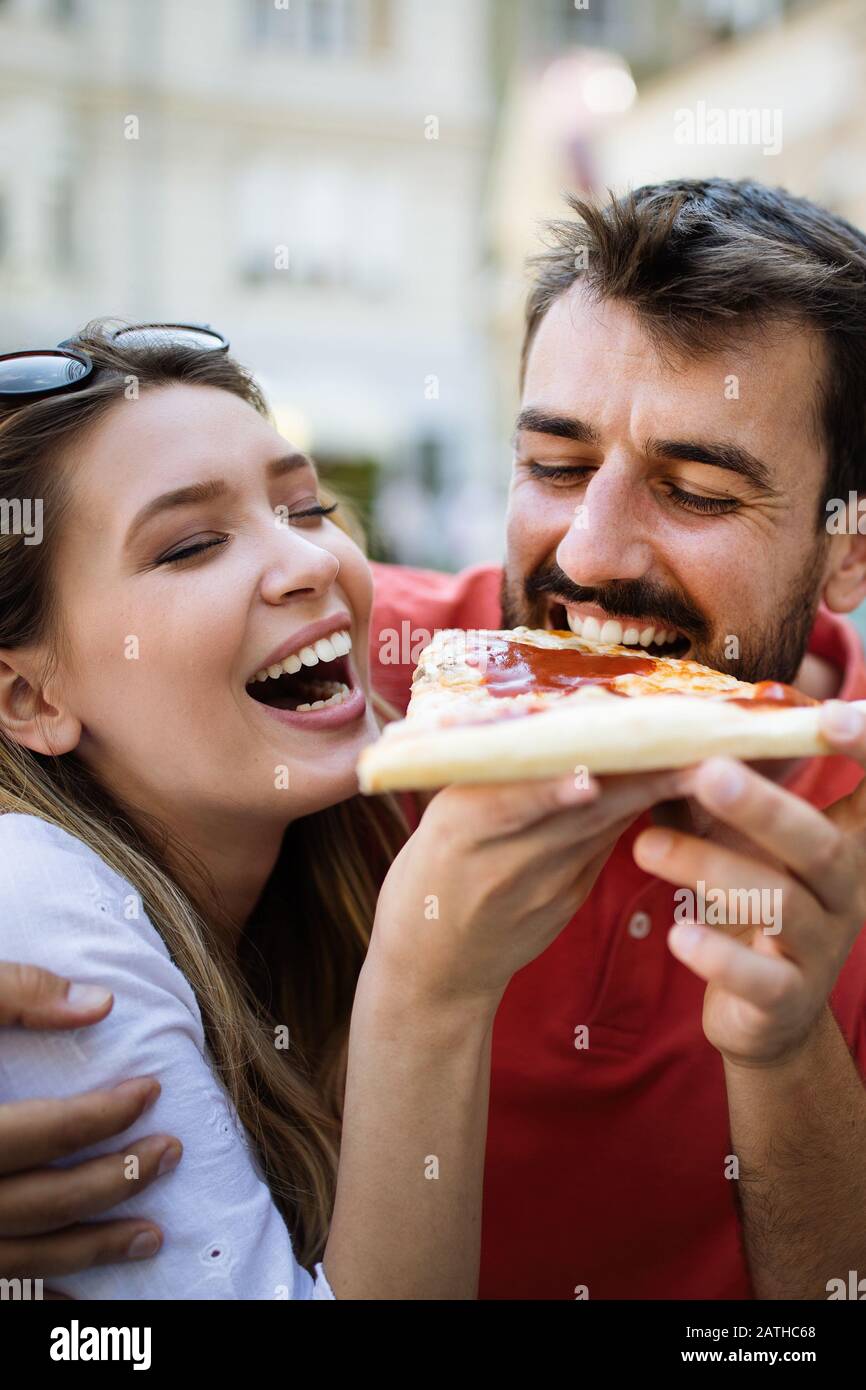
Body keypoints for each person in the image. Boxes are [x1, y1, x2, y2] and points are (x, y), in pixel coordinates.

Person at [6, 176, 866, 1299]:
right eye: (554, 467)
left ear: (846, 547)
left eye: (696, 488)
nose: (593, 551)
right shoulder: (350, 683)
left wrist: (785, 1047)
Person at [0, 323, 684, 1298]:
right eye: (190, 544)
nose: (306, 563)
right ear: (30, 697)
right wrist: (430, 986)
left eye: (305, 506)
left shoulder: (318, 845)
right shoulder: (34, 898)